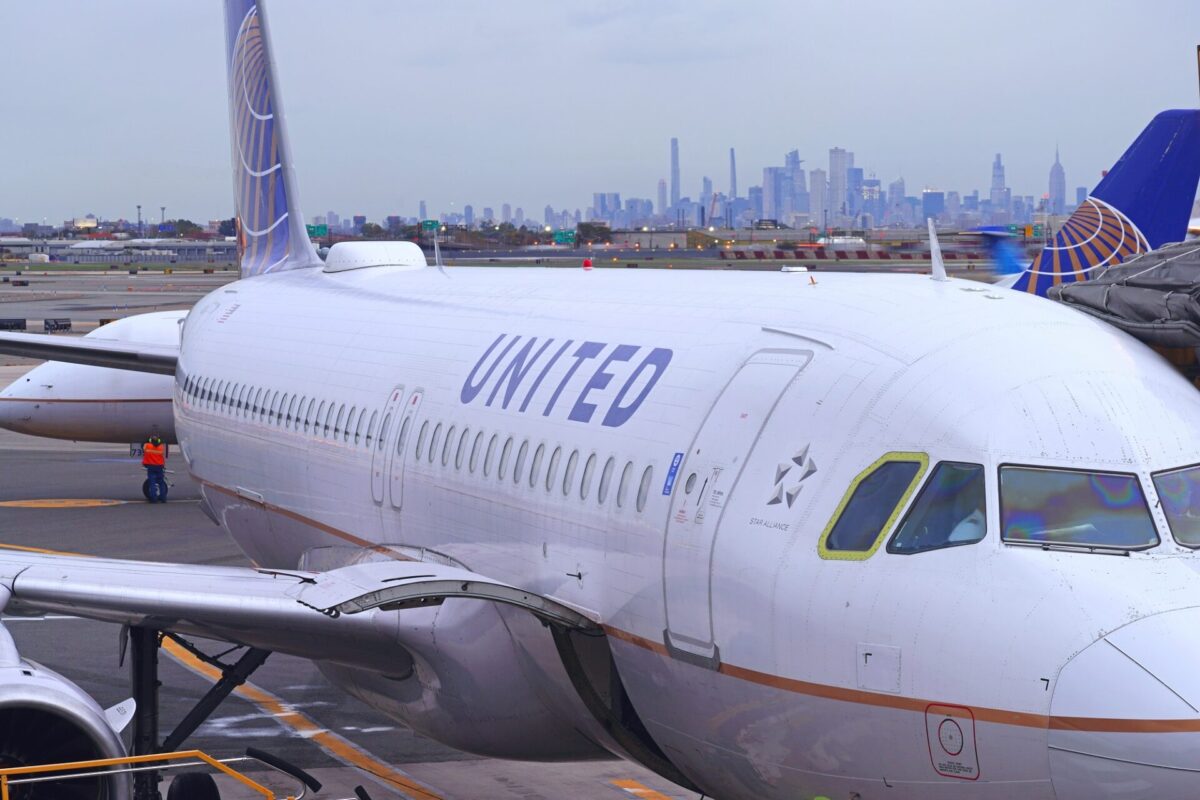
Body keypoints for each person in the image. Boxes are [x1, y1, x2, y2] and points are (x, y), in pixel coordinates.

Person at [142, 435, 168, 503]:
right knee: (161, 482)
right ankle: (163, 498)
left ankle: (153, 499)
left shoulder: (147, 446)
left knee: (152, 482)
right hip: (159, 467)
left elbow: (143, 447)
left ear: (151, 441)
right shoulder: (161, 447)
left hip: (151, 466)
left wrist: (148, 440)